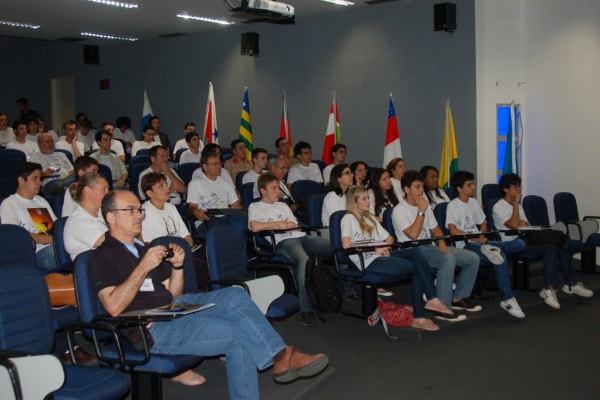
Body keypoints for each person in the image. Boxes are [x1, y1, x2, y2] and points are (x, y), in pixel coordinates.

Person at [89, 189, 329, 398]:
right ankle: (282, 357)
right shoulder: (102, 256)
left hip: (174, 307)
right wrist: (143, 266)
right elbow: (113, 306)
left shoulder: (143, 248)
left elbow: (172, 294)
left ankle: (280, 356)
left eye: (139, 209)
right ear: (110, 216)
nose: (138, 215)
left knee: (235, 295)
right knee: (238, 335)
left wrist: (178, 267)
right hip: (151, 327)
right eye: (130, 210)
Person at [341, 186, 453, 331]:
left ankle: (430, 301)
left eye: (368, 198)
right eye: (364, 199)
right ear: (354, 202)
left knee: (417, 252)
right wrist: (375, 249)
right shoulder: (348, 218)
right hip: (367, 260)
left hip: (381, 256)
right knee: (419, 266)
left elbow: (390, 239)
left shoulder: (370, 218)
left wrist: (384, 247)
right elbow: (346, 245)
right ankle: (423, 311)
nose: (368, 201)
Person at [493, 173, 593, 309]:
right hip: (513, 243)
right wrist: (516, 204)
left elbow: (526, 225)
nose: (518, 190)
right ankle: (549, 289)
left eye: (519, 186)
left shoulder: (519, 207)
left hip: (527, 238)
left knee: (560, 244)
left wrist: (517, 218)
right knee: (550, 248)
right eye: (515, 187)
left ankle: (571, 284)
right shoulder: (498, 207)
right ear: (505, 189)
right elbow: (515, 225)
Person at [393, 170, 481, 320]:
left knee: (472, 258)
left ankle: (458, 298)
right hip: (414, 251)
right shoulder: (399, 211)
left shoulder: (424, 206)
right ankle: (443, 308)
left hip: (431, 246)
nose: (421, 190)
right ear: (407, 189)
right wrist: (421, 211)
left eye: (422, 187)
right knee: (447, 260)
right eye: (417, 187)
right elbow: (413, 235)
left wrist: (441, 243)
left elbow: (436, 229)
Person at [248, 173, 331, 327]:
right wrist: (279, 224)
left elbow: (296, 224)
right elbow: (254, 227)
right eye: (273, 188)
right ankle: (305, 310)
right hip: (284, 241)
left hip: (301, 237)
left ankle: (345, 291)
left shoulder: (283, 205)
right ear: (263, 190)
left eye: (278, 188)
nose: (278, 191)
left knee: (336, 248)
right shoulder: (255, 207)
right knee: (304, 261)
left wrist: (292, 225)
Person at [446, 170, 527, 318]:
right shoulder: (453, 205)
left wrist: (482, 235)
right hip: (466, 245)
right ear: (459, 188)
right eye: (469, 185)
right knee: (499, 255)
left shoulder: (474, 203)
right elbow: (453, 231)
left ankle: (492, 248)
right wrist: (474, 237)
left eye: (473, 183)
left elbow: (483, 223)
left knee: (519, 244)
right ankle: (508, 299)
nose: (473, 187)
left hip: (480, 243)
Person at [0, 162, 57, 271]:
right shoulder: (10, 204)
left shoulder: (41, 201)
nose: (39, 182)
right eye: (34, 179)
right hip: (35, 252)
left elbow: (56, 225)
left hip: (54, 244)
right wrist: (54, 240)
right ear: (21, 181)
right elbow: (15, 237)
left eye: (40, 179)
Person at [187, 152, 246, 240]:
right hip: (208, 219)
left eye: (219, 163)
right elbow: (192, 207)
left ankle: (237, 251)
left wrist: (246, 212)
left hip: (226, 216)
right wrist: (196, 211)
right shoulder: (195, 183)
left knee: (241, 218)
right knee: (233, 230)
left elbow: (236, 205)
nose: (219, 167)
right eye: (215, 164)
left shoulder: (225, 183)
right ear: (205, 167)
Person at [63, 173, 109, 261]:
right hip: (95, 270)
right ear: (88, 190)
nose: (108, 193)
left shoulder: (102, 213)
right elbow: (112, 246)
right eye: (104, 189)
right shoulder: (78, 222)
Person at [29, 133, 74, 199]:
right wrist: (44, 174)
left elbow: (72, 171)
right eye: (47, 142)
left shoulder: (62, 154)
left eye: (52, 141)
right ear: (39, 144)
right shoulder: (35, 156)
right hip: (50, 183)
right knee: (61, 186)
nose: (51, 144)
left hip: (67, 180)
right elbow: (31, 176)